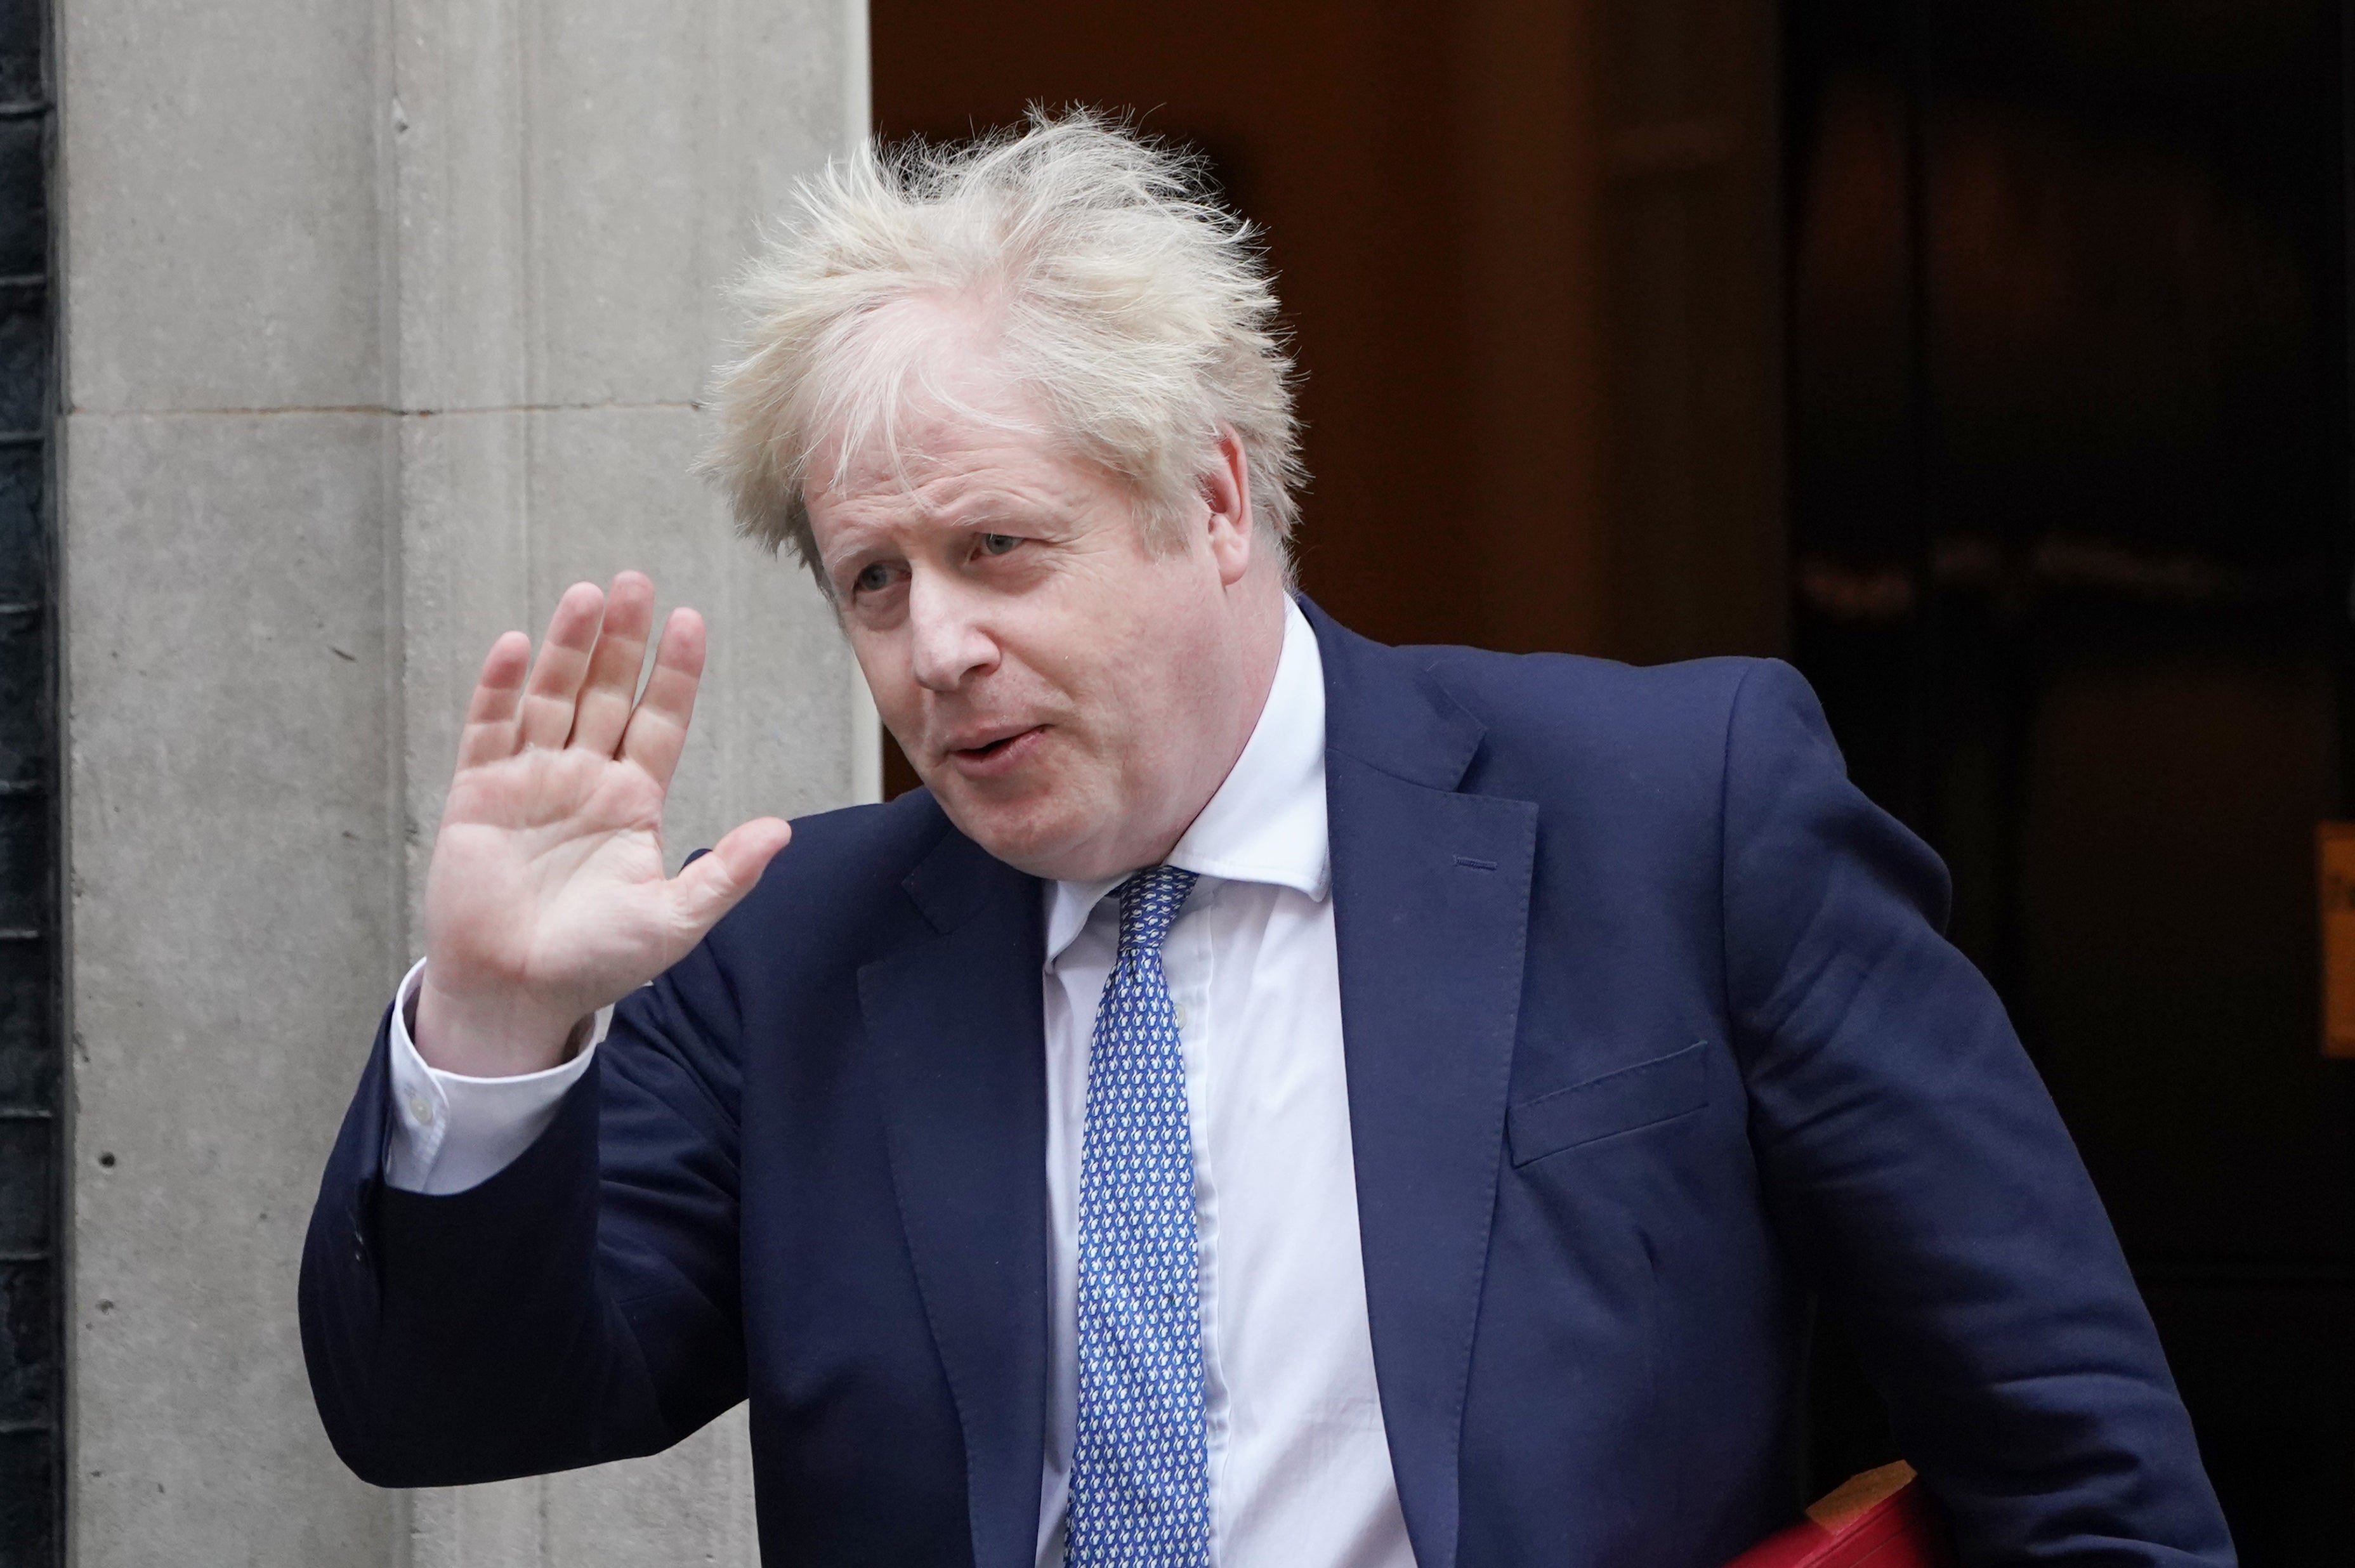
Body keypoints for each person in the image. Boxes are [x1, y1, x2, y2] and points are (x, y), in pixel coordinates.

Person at [299, 114, 2233, 1567]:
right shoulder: (791, 954)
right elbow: (444, 1415)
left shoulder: (1678, 813)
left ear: (1213, 501)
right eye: (874, 580)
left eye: (997, 548)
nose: (936, 643)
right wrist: (492, 1024)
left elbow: (2074, 1457)